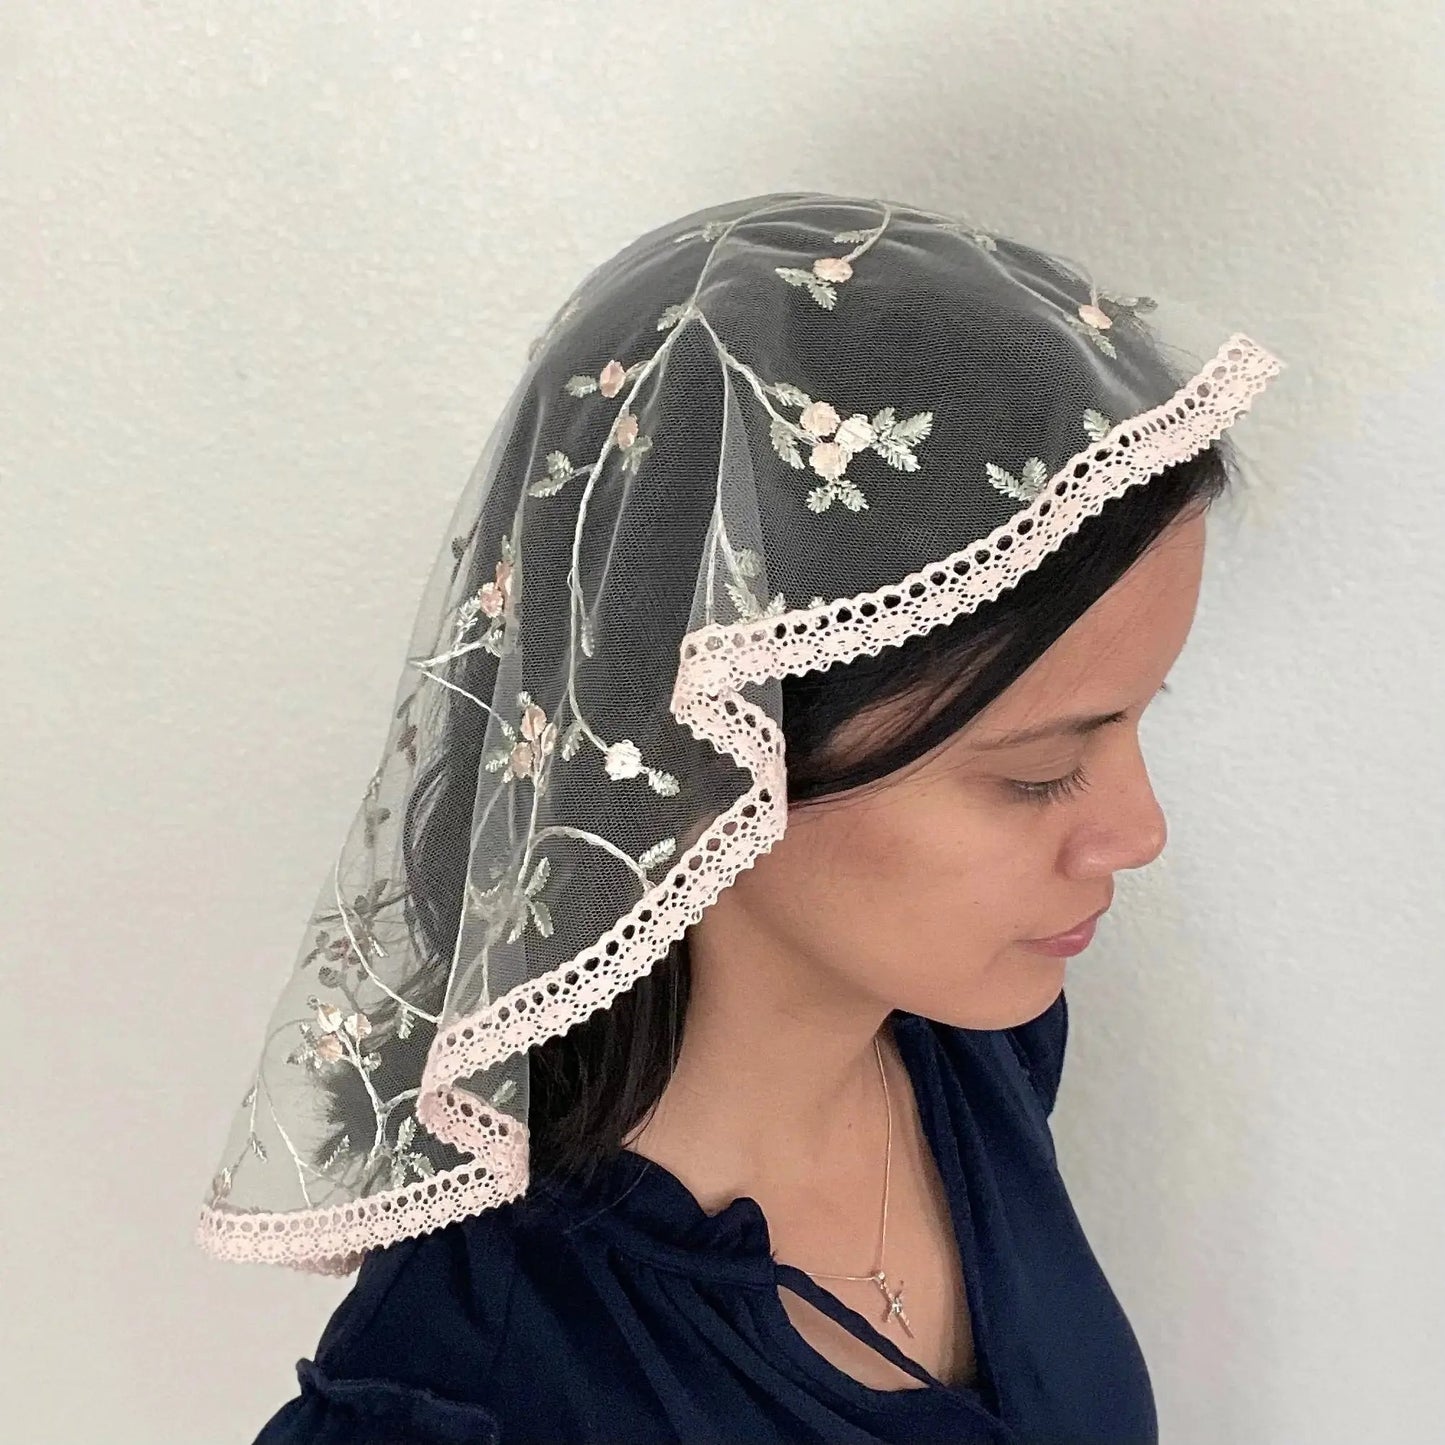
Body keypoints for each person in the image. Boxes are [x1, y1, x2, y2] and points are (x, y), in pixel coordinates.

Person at [196, 190, 1285, 1443]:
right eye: (1036, 771)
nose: (1135, 831)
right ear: (719, 738)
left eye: (1139, 719)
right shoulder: (470, 1386)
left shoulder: (966, 1045)